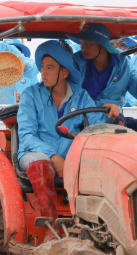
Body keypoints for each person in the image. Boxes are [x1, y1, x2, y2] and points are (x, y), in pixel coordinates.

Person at [16, 41, 116, 238]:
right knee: (42, 165)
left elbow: (95, 128)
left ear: (64, 73)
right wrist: (53, 156)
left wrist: (110, 111)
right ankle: (51, 228)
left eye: (50, 68)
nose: (43, 72)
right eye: (42, 67)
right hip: (34, 155)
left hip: (70, 159)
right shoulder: (31, 95)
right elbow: (26, 136)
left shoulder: (81, 97)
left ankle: (100, 227)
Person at [71, 24, 137, 133]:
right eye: (82, 43)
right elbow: (69, 98)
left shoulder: (123, 64)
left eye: (88, 43)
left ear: (102, 45)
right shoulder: (76, 63)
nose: (83, 47)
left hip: (114, 120)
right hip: (84, 121)